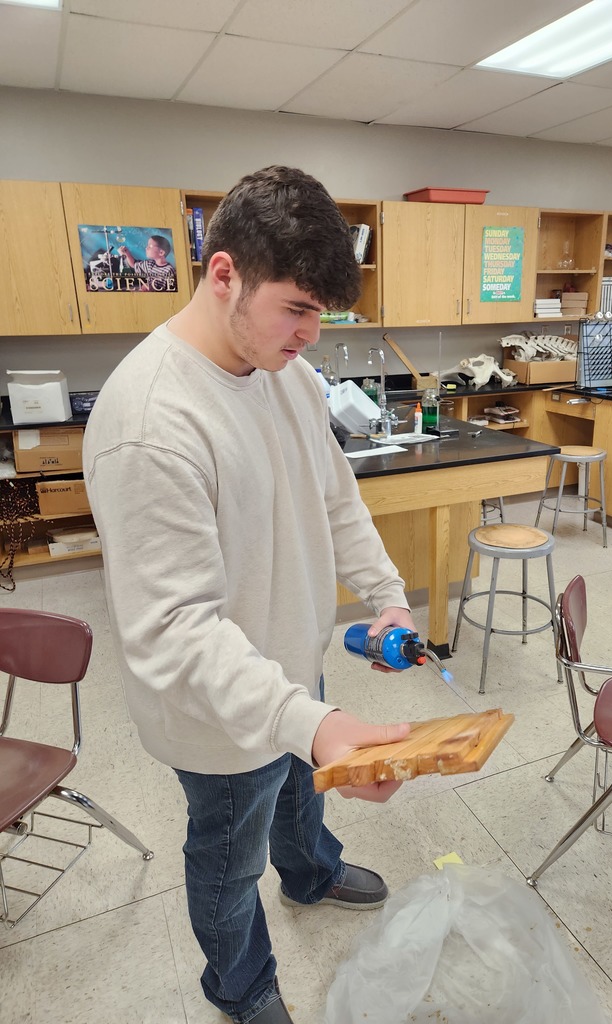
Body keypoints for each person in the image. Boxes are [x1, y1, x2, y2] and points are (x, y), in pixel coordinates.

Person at [83, 166, 415, 1024]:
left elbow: (334, 495)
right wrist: (314, 724)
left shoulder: (288, 372)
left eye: (321, 314)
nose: (310, 334)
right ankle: (240, 983)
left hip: (293, 664)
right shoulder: (152, 421)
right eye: (297, 309)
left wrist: (387, 594)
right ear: (224, 272)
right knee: (230, 855)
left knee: (301, 792)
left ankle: (309, 870)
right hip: (215, 715)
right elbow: (178, 634)